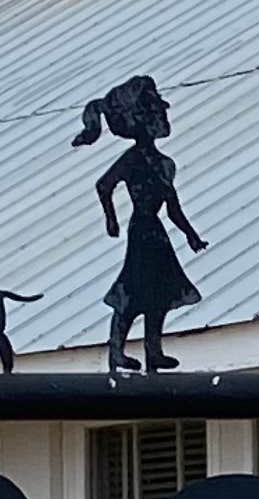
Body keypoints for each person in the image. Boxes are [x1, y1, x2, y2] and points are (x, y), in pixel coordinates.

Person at [72, 74, 205, 373]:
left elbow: (173, 207)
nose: (163, 117)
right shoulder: (132, 159)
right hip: (141, 230)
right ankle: (116, 350)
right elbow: (104, 185)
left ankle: (153, 350)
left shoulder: (166, 164)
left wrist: (191, 236)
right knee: (132, 292)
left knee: (160, 293)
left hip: (157, 233)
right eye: (157, 113)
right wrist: (111, 219)